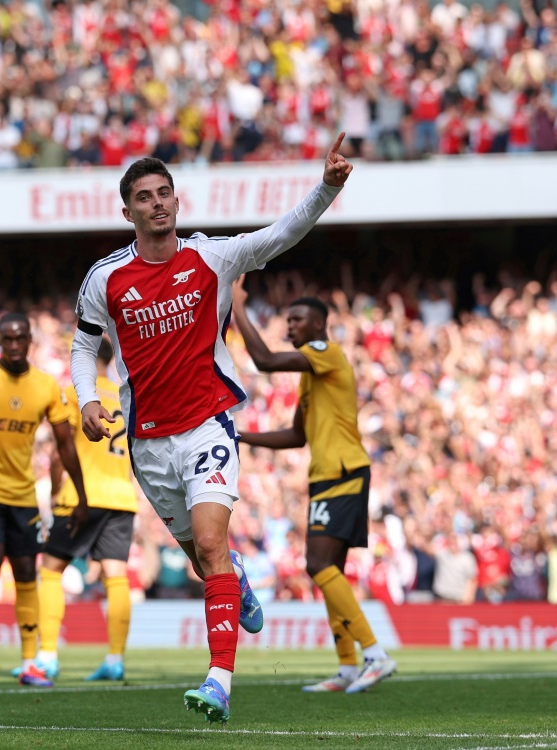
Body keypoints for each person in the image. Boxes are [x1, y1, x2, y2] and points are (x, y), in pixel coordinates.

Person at [70, 135, 352, 724]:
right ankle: (236, 581)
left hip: (207, 424)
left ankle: (219, 681)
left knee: (211, 542)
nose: (157, 204)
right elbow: (83, 343)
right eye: (144, 198)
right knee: (206, 560)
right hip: (146, 441)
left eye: (164, 193)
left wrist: (326, 187)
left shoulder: (212, 257)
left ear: (177, 200)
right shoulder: (106, 277)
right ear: (127, 212)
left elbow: (280, 233)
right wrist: (88, 400)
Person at [230, 279, 397, 694]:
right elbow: (296, 436)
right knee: (330, 570)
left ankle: (375, 654)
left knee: (318, 565)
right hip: (327, 475)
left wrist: (236, 308)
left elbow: (266, 359)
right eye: (287, 320)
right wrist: (240, 436)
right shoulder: (312, 375)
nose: (290, 326)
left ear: (320, 325)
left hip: (342, 472)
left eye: (297, 320)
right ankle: (345, 667)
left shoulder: (325, 352)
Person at [0, 312, 89, 688]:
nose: (13, 346)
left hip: (24, 496)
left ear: (30, 340)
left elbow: (65, 443)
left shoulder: (45, 386)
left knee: (28, 573)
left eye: (20, 339)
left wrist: (81, 493)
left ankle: (30, 663)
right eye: (7, 339)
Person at [31, 337, 139, 681]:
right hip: (121, 496)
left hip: (82, 496)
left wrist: (56, 494)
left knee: (50, 570)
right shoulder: (128, 395)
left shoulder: (79, 392)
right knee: (116, 577)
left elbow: (64, 449)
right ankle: (115, 659)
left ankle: (47, 655)